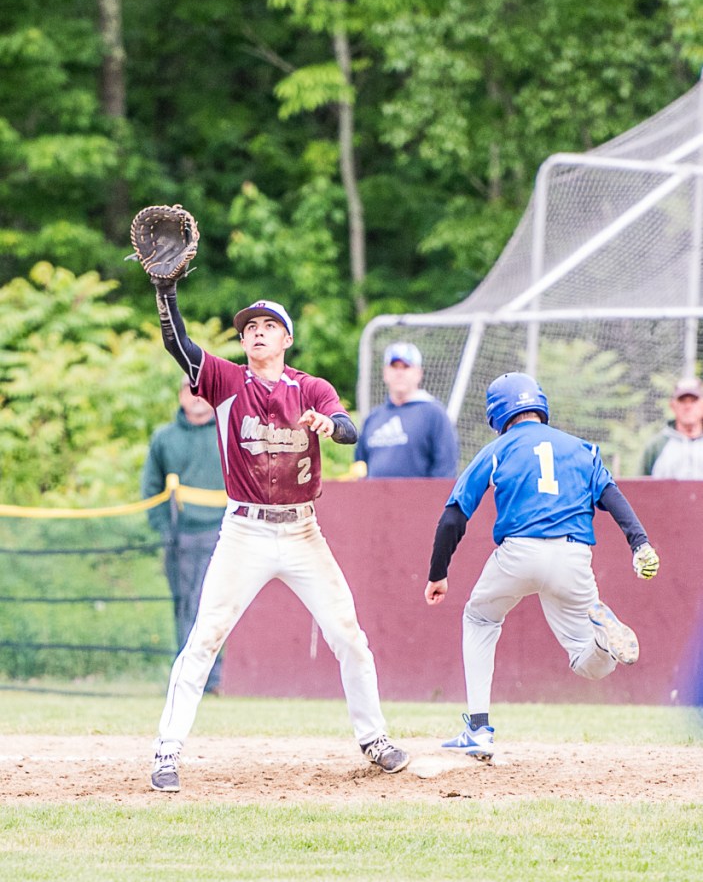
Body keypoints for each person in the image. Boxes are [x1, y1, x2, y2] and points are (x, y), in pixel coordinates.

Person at [148, 288, 409, 791]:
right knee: (205, 636)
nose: (256, 332)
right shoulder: (226, 381)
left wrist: (327, 426)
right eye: (248, 327)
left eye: (267, 325)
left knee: (349, 635)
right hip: (244, 529)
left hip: (302, 530)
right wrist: (168, 295)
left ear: (287, 338)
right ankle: (167, 750)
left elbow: (348, 429)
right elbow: (178, 345)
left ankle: (374, 739)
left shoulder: (310, 388)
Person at [424, 372, 660, 762]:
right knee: (589, 664)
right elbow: (612, 496)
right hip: (574, 556)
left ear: (498, 414)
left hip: (519, 553)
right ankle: (603, 639)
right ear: (540, 405)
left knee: (480, 618)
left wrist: (438, 572)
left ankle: (479, 730)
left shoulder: (497, 448)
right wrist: (640, 544)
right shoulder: (581, 448)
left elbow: (453, 517)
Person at [142, 375, 225, 695]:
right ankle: (189, 679)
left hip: (225, 536)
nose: (196, 397)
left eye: (202, 390)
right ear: (180, 396)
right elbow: (151, 487)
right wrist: (165, 531)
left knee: (218, 608)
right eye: (190, 390)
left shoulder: (227, 432)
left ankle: (215, 680)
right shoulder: (164, 438)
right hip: (182, 539)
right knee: (185, 607)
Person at [353, 342, 458, 479]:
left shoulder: (434, 413)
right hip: (375, 498)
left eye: (406, 367)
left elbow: (446, 467)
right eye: (394, 367)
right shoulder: (373, 418)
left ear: (418, 373)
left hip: (418, 499)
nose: (399, 373)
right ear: (385, 373)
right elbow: (361, 465)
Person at [639, 376, 703, 479]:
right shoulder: (656, 447)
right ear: (672, 405)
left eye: (693, 400)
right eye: (682, 401)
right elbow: (640, 488)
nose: (688, 406)